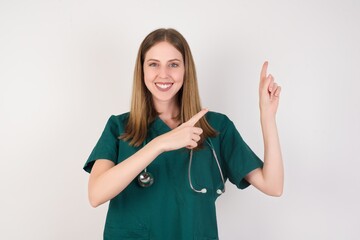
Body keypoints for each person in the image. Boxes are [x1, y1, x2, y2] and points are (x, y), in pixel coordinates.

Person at [83, 28, 283, 240]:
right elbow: (96, 194)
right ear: (142, 70)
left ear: (186, 70)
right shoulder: (119, 127)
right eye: (153, 64)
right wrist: (160, 144)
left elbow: (273, 185)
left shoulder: (215, 127)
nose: (164, 74)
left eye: (174, 64)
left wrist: (267, 117)